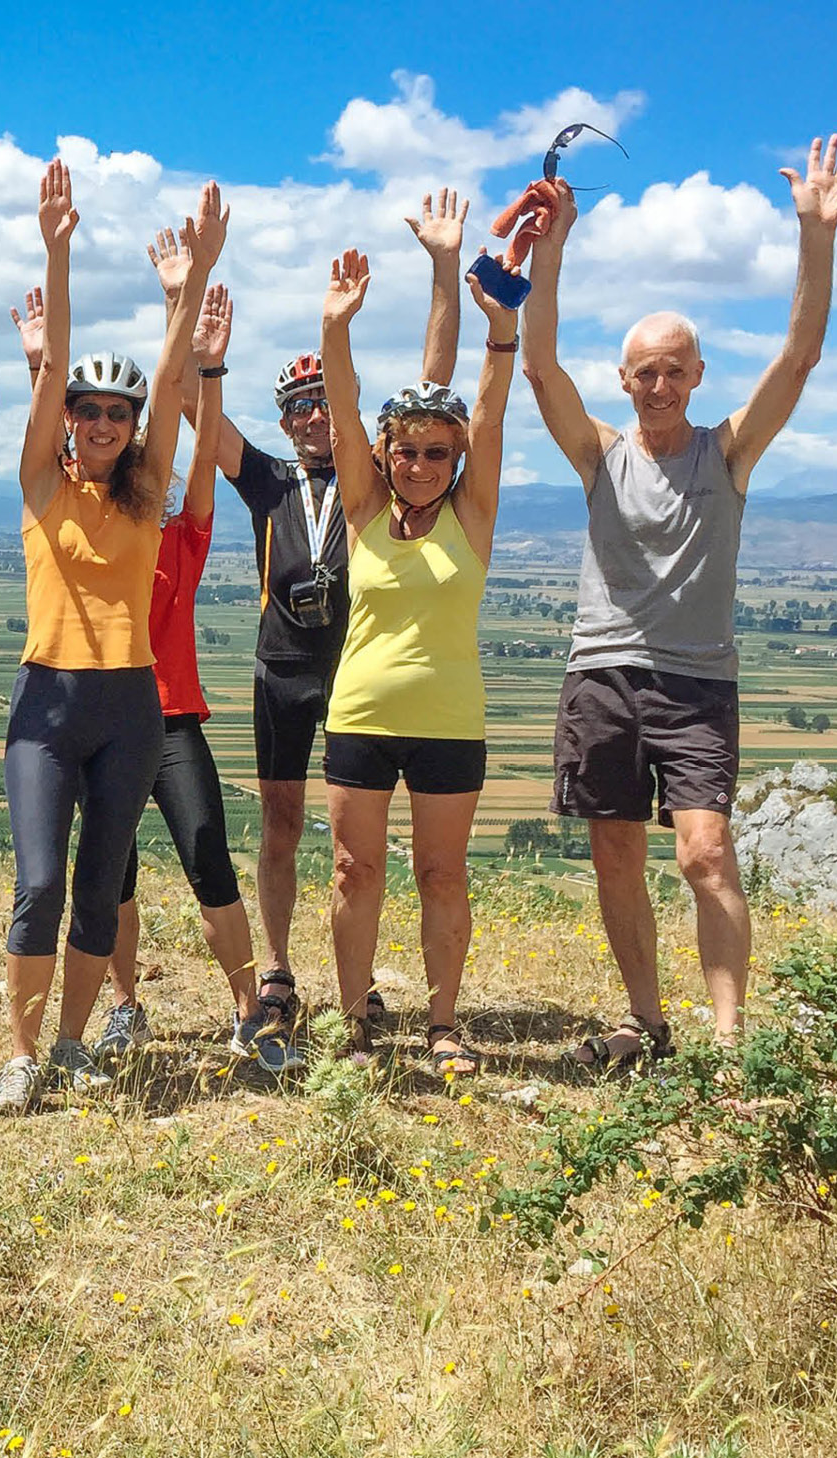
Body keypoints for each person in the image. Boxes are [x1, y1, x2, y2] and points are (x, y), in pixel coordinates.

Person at [522, 135, 837, 1063]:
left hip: (696, 685)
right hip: (600, 674)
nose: (662, 384)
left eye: (677, 369)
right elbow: (540, 370)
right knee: (617, 858)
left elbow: (797, 360)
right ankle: (647, 1021)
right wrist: (549, 252)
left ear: (698, 376)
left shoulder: (728, 454)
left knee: (705, 853)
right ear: (626, 381)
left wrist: (815, 237)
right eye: (646, 371)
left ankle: (729, 1039)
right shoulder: (600, 454)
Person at [177, 190, 466, 1049]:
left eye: (320, 401)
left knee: (359, 848)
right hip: (282, 668)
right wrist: (198, 340)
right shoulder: (264, 477)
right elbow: (197, 420)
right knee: (277, 821)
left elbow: (436, 387)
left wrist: (442, 270)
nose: (311, 415)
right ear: (281, 419)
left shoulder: (376, 474)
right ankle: (276, 972)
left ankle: (360, 982)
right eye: (296, 405)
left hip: (358, 673)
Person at [0, 161, 226, 1115]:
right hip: (46, 702)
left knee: (99, 886)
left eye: (113, 415)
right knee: (39, 881)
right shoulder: (43, 487)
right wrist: (57, 246)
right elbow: (48, 382)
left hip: (131, 705)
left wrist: (197, 275)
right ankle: (20, 1052)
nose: (95, 423)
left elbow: (172, 379)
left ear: (132, 430)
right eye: (85, 411)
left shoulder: (145, 491)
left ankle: (76, 1044)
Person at [318, 243, 522, 1076]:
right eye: (407, 450)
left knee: (442, 876)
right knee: (352, 871)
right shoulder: (364, 506)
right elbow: (341, 410)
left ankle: (443, 1026)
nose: (422, 465)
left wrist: (499, 328)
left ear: (458, 458)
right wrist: (336, 330)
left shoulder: (472, 512)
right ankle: (355, 1019)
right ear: (386, 453)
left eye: (440, 452)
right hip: (360, 717)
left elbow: (492, 408)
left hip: (448, 722)